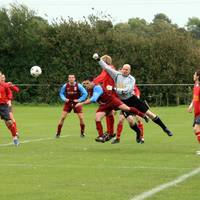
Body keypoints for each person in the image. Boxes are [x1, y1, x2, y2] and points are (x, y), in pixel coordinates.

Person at [93, 53, 173, 138]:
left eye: (127, 70)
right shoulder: (117, 75)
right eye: (124, 69)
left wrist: (114, 89)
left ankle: (165, 128)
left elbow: (125, 91)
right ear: (121, 69)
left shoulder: (131, 79)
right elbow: (106, 67)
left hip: (132, 99)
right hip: (123, 102)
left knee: (150, 114)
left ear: (129, 71)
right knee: (130, 121)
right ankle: (138, 132)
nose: (125, 71)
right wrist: (98, 59)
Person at [75, 78, 148, 143]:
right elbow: (91, 97)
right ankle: (102, 136)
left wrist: (81, 103)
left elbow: (93, 99)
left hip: (113, 101)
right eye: (84, 84)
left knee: (128, 114)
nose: (86, 85)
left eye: (87, 83)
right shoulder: (90, 89)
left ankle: (143, 116)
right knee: (97, 118)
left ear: (93, 82)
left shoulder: (97, 87)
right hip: (104, 105)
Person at [93, 55, 116, 141]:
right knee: (109, 114)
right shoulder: (109, 68)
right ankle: (110, 133)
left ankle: (106, 134)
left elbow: (100, 78)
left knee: (106, 115)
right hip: (110, 94)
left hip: (111, 95)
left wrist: (94, 82)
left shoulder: (108, 68)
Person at [0, 72, 19, 146]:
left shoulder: (5, 85)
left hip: (3, 106)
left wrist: (9, 99)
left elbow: (9, 93)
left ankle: (15, 137)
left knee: (9, 122)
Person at [188, 69, 200, 155]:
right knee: (195, 130)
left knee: (196, 129)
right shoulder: (195, 85)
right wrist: (191, 105)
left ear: (198, 76)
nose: (193, 76)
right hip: (197, 112)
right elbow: (195, 97)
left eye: (194, 74)